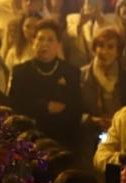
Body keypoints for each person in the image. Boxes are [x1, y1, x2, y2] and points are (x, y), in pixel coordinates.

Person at [7, 19, 82, 147]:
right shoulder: (20, 72)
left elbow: (76, 108)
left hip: (63, 136)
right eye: (40, 39)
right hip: (29, 137)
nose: (44, 44)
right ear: (33, 42)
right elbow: (16, 105)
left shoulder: (71, 72)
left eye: (50, 40)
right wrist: (44, 106)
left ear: (58, 45)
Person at [80, 27, 126, 144]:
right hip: (88, 139)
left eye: (110, 47)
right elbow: (72, 111)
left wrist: (119, 121)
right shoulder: (80, 76)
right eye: (100, 46)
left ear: (118, 51)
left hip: (119, 138)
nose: (104, 51)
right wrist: (91, 120)